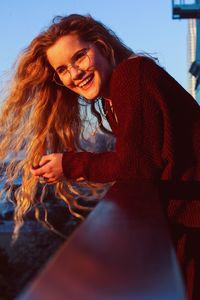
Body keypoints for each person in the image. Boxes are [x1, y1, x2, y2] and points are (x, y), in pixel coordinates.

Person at [0, 13, 200, 299]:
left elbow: (136, 167)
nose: (74, 74)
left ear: (102, 46)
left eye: (79, 56)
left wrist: (69, 164)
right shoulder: (112, 98)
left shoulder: (133, 75)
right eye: (62, 69)